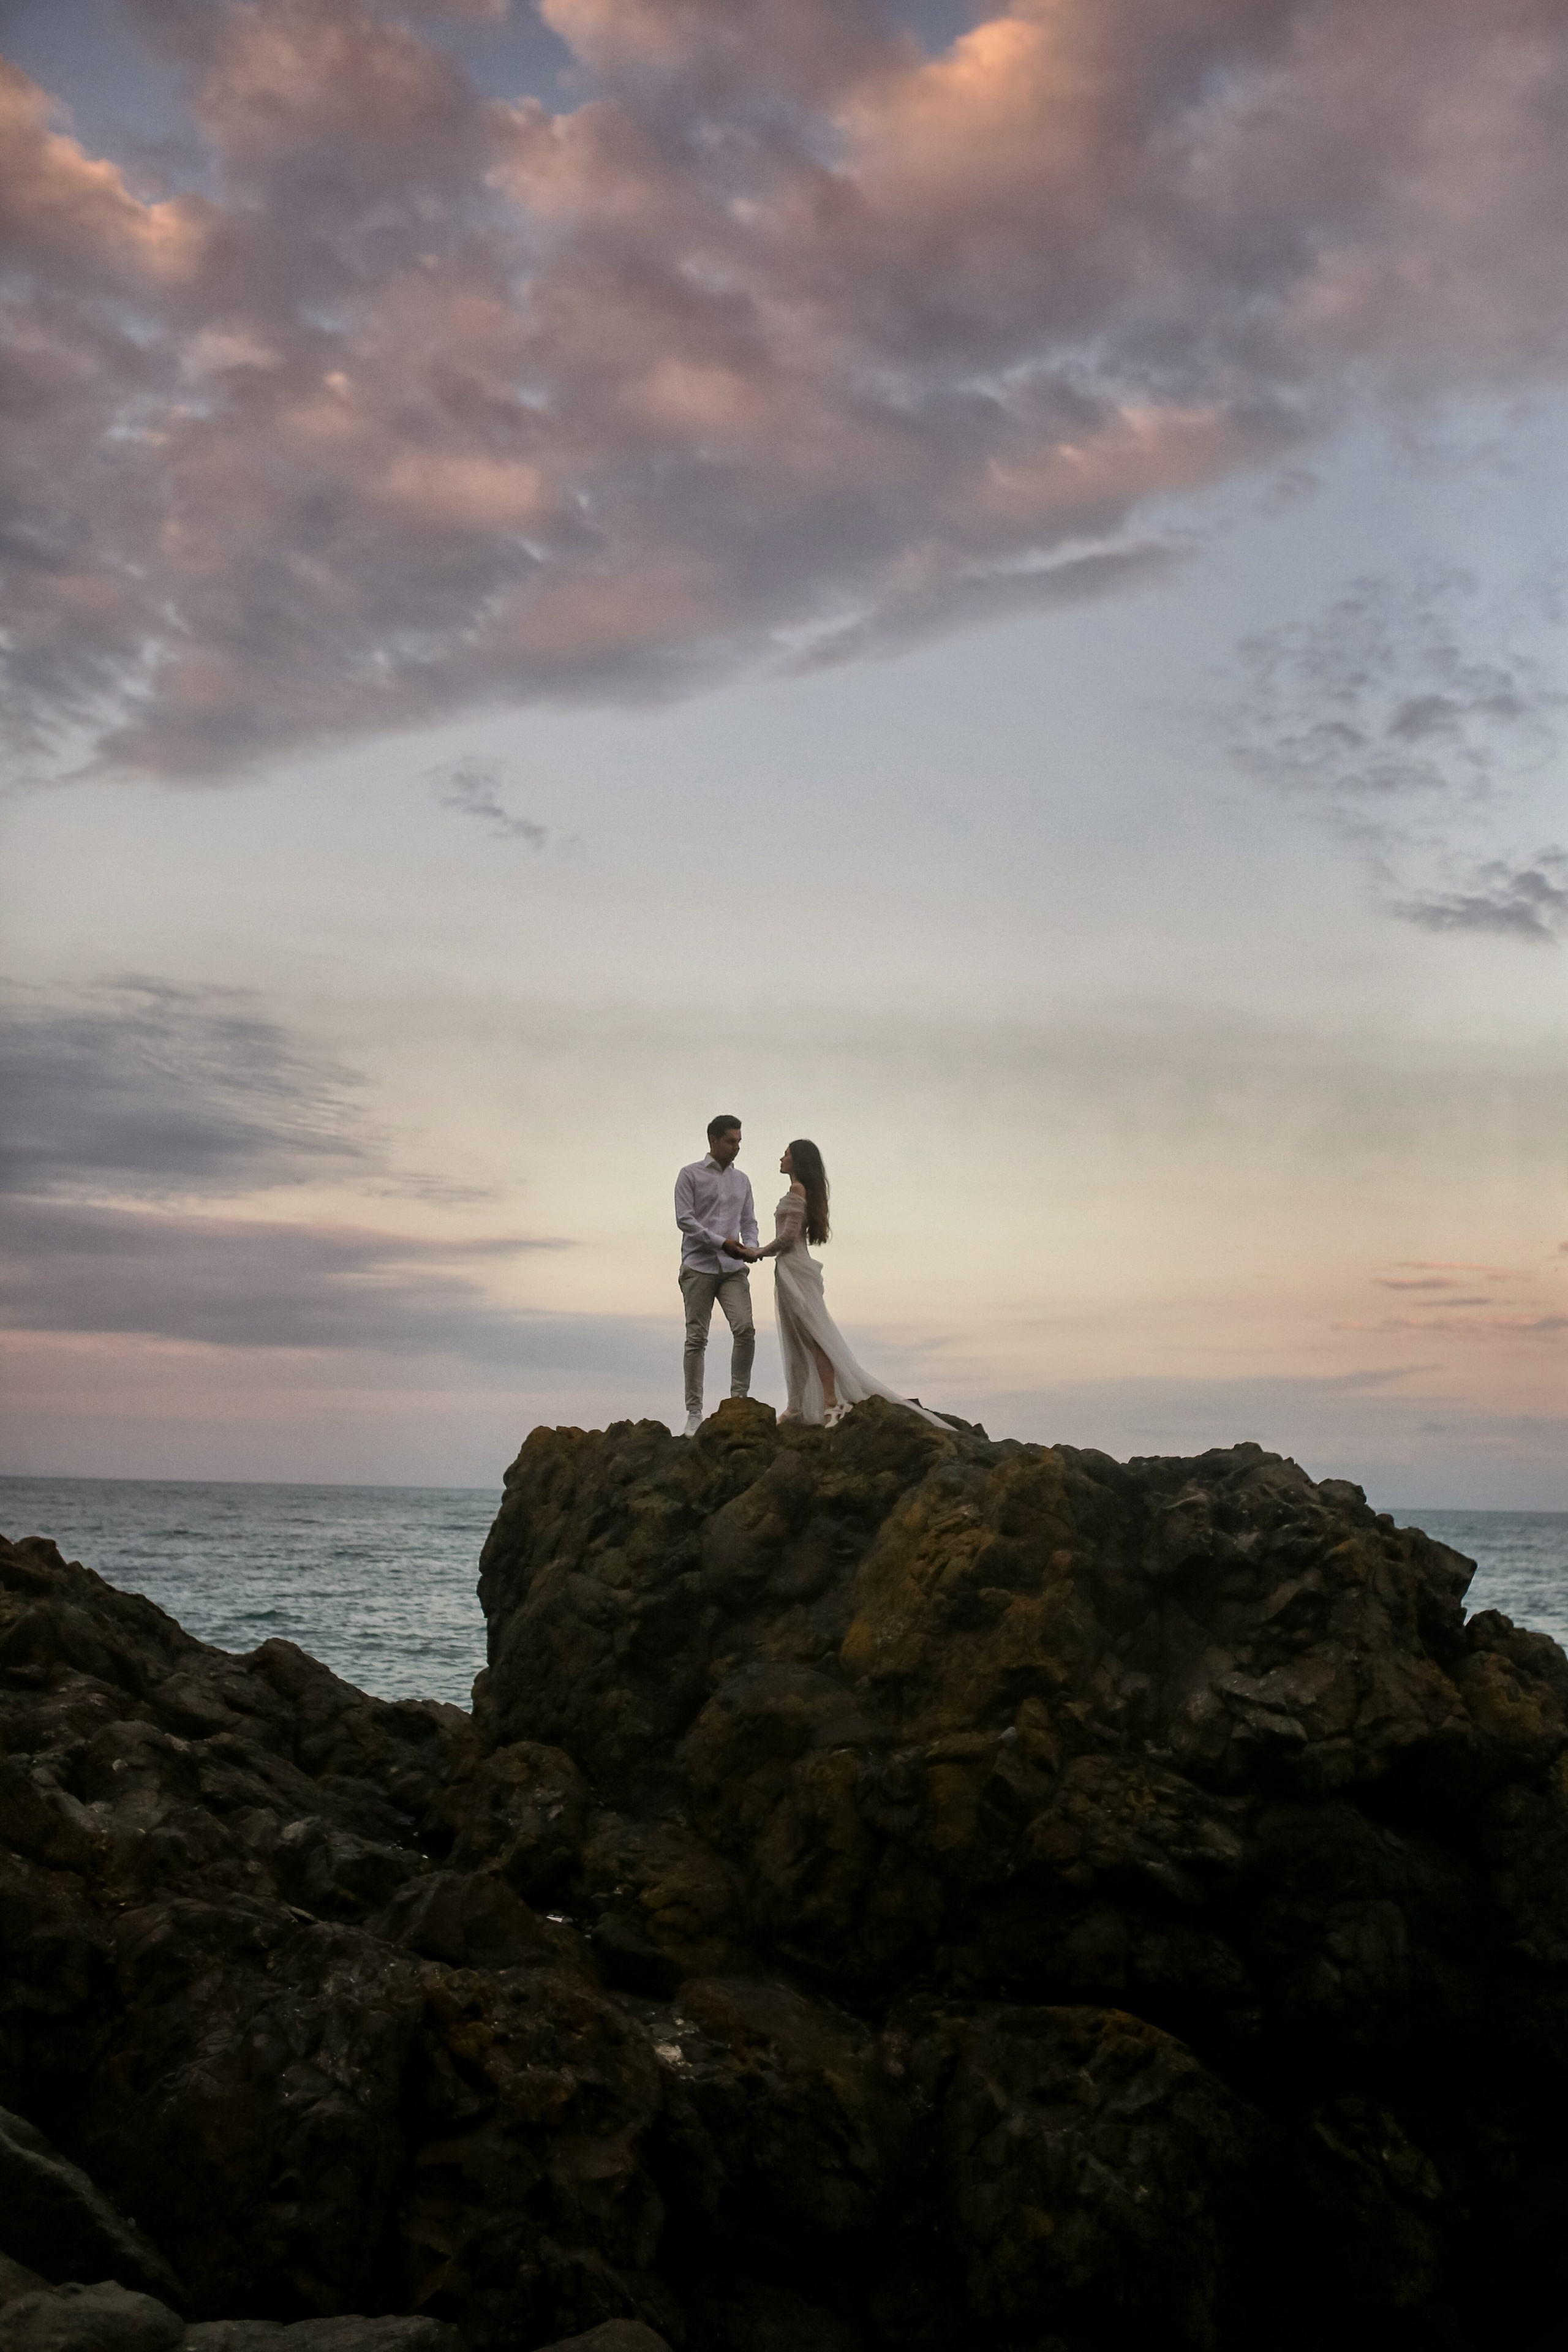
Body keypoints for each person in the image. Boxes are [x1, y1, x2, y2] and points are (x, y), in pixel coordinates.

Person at [726, 1139, 948, 1430]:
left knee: (812, 1335)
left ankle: (830, 1402)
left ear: (798, 1161)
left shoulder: (798, 1190)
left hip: (795, 1268)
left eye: (787, 1154)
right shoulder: (800, 1190)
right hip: (790, 1268)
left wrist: (757, 1252)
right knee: (798, 1337)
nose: (781, 1158)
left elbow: (789, 1238)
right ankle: (798, 1405)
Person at [674, 1115, 759, 1436]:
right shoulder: (690, 1175)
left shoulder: (742, 1181)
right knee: (696, 1338)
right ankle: (694, 1412)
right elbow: (685, 1220)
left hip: (733, 1269)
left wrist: (750, 1247)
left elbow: (749, 1221)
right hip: (698, 1266)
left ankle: (739, 1399)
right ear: (713, 1140)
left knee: (745, 1329)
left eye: (739, 1142)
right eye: (730, 1141)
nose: (736, 1147)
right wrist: (722, 1242)